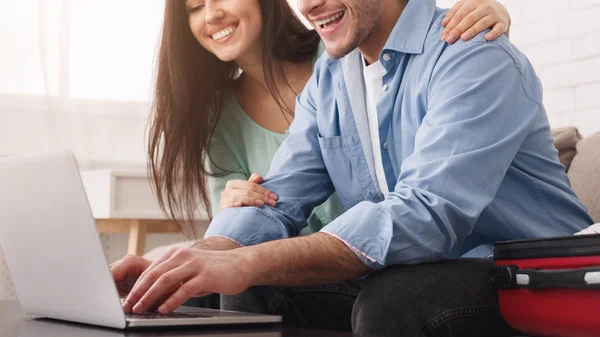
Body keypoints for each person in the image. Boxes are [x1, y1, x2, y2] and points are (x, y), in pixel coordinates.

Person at [111, 1, 595, 337]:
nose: (310, 3)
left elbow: (425, 214)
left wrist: (245, 262)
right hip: (419, 268)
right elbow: (276, 197)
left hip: (530, 277)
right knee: (217, 289)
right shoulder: (331, 77)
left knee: (393, 298)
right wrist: (194, 261)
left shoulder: (472, 52)